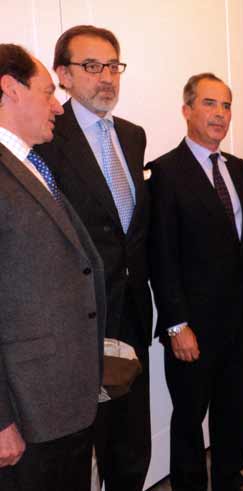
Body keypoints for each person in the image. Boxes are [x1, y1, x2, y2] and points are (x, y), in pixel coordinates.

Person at [34, 25, 153, 490]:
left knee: (130, 446)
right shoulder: (47, 136)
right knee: (79, 449)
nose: (106, 77)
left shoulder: (133, 135)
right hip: (77, 320)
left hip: (132, 317)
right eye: (90, 66)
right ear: (63, 74)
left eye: (112, 65)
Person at [148, 73, 243, 491]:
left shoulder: (238, 169)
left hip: (238, 320)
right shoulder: (165, 172)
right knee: (189, 417)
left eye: (227, 105)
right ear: (187, 111)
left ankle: (230, 479)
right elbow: (161, 256)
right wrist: (176, 325)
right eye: (210, 104)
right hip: (192, 326)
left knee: (235, 409)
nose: (220, 114)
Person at [0, 43, 106, 491]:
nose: (58, 108)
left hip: (64, 397)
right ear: (10, 89)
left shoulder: (30, 163)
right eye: (48, 92)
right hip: (26, 409)